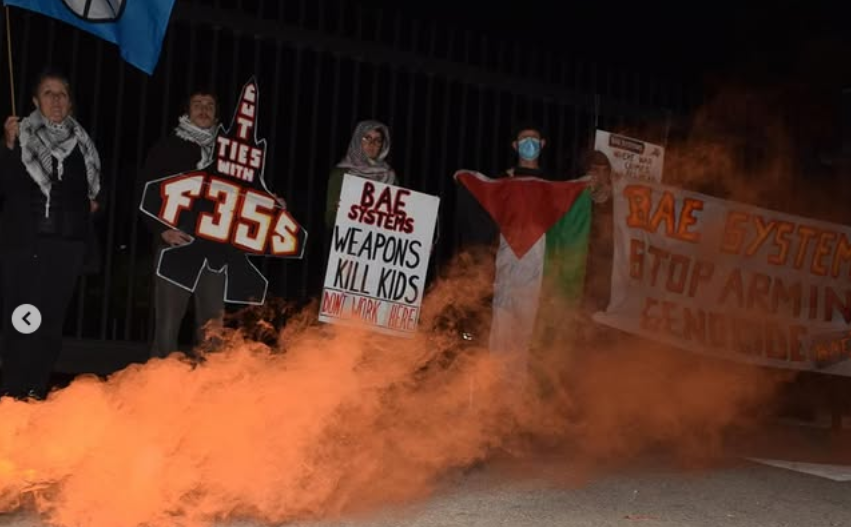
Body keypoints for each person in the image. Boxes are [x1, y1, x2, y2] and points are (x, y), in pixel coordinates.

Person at [0, 68, 102, 400]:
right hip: (26, 244)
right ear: (35, 101)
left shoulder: (83, 144)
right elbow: (7, 187)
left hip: (67, 247)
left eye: (62, 94)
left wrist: (94, 204)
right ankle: (12, 387)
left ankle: (35, 387)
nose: (56, 100)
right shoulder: (21, 137)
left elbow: (93, 193)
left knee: (50, 321)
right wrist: (9, 146)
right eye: (48, 93)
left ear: (70, 102)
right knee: (22, 317)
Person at [139, 87, 225, 359]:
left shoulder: (229, 153)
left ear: (216, 114)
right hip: (176, 245)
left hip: (215, 248)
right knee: (166, 329)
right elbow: (145, 192)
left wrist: (271, 203)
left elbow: (247, 192)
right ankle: (160, 382)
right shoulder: (167, 147)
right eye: (197, 103)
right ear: (187, 111)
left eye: (209, 104)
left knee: (212, 330)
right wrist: (161, 230)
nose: (203, 109)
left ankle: (211, 383)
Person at [325, 120, 398, 231]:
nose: (372, 144)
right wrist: (338, 211)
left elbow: (398, 221)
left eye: (378, 140)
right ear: (357, 140)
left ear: (383, 145)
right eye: (367, 138)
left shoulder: (390, 176)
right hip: (350, 238)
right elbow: (329, 220)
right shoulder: (340, 174)